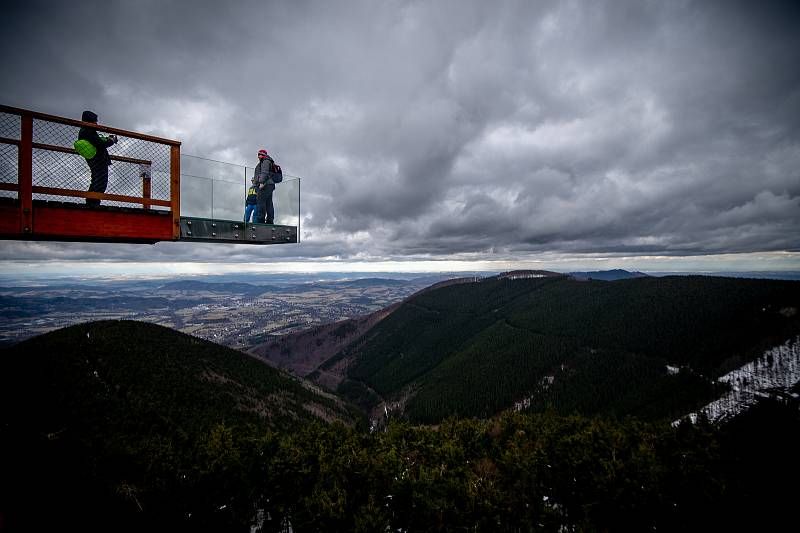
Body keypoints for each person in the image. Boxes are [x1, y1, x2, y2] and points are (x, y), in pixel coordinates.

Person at [77, 110, 117, 206]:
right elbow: (100, 144)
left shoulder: (84, 131)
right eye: (94, 121)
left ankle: (92, 201)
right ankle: (93, 203)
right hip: (98, 159)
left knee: (96, 179)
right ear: (90, 121)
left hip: (93, 158)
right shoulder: (88, 130)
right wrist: (111, 141)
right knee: (100, 182)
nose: (96, 123)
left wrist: (106, 139)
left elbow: (96, 141)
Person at [253, 148, 279, 224]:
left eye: (261, 154)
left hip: (265, 185)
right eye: (258, 154)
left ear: (264, 155)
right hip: (269, 184)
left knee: (260, 202)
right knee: (268, 203)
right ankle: (270, 220)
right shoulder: (267, 161)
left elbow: (264, 172)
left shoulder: (265, 161)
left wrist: (261, 182)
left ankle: (261, 220)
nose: (259, 156)